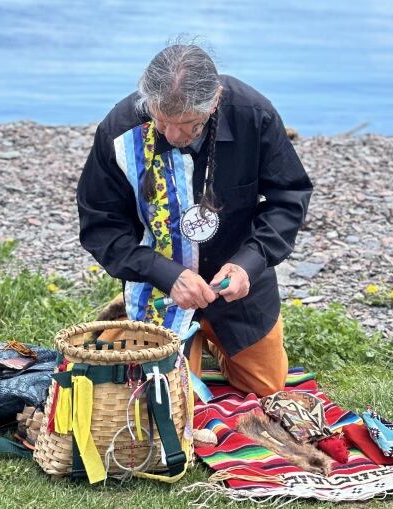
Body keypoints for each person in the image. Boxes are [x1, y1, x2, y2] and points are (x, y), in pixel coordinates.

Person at [76, 43, 313, 397]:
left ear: (214, 100)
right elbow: (101, 225)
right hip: (158, 285)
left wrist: (250, 263)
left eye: (188, 124)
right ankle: (185, 344)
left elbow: (288, 197)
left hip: (236, 285)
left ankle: (208, 342)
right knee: (159, 396)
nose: (172, 136)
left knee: (267, 390)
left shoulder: (253, 114)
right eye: (161, 120)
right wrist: (166, 273)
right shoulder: (119, 128)